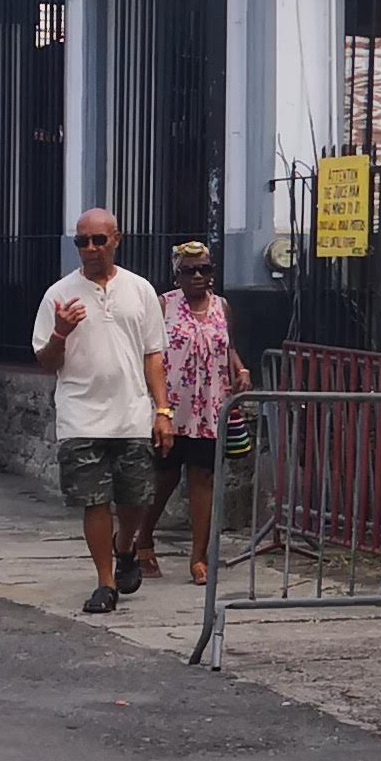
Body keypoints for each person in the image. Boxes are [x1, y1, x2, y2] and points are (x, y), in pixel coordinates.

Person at [33, 206, 172, 616]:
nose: (90, 248)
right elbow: (46, 362)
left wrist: (162, 410)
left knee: (135, 499)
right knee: (94, 501)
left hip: (131, 412)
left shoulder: (140, 290)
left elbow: (153, 355)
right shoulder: (58, 295)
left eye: (99, 240)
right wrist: (61, 333)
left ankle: (125, 546)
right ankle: (105, 582)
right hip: (81, 414)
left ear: (117, 239)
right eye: (82, 241)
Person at [132, 239, 240, 585]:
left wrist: (240, 368)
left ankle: (199, 556)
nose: (197, 276)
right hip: (171, 407)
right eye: (189, 271)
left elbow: (228, 347)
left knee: (203, 478)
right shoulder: (163, 305)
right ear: (177, 275)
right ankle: (142, 539)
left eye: (204, 269)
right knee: (164, 477)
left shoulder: (222, 306)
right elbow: (149, 353)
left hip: (209, 407)